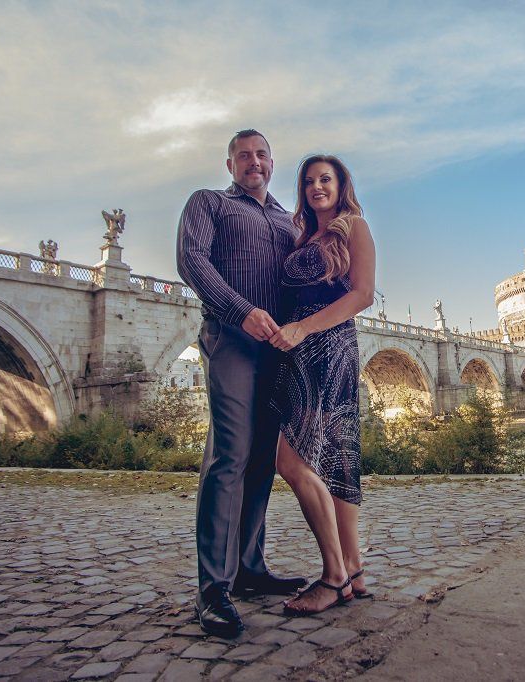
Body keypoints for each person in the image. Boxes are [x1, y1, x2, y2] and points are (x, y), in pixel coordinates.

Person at [176, 129, 307, 638]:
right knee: (229, 453)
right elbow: (192, 261)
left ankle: (250, 567)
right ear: (229, 164)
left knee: (261, 459)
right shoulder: (209, 203)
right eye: (243, 156)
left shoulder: (286, 219)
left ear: (272, 163)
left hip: (280, 349)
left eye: (261, 155)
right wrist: (241, 310)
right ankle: (213, 588)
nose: (253, 162)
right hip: (232, 337)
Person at [268, 155, 376, 615]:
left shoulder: (354, 226)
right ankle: (352, 569)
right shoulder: (302, 236)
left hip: (328, 349)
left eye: (325, 179)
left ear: (340, 184)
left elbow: (362, 295)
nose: (317, 187)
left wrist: (304, 329)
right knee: (334, 456)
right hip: (297, 351)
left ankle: (332, 577)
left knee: (290, 461)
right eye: (309, 181)